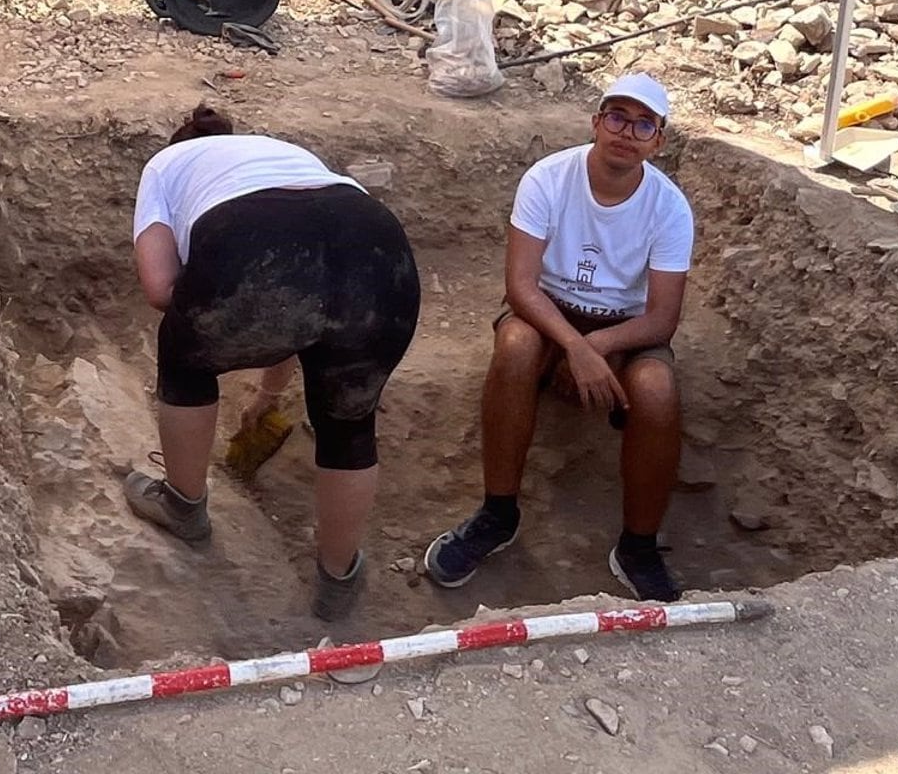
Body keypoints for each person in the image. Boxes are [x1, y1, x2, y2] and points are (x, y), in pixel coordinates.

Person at [122, 106, 421, 621]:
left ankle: (184, 506)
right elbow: (305, 296)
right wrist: (267, 395)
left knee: (185, 357)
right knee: (348, 424)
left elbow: (158, 289)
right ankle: (338, 580)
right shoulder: (285, 155)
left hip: (253, 241)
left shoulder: (164, 165)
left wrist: (213, 306)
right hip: (377, 248)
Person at [422, 72, 694, 602]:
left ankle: (637, 545)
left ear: (658, 141)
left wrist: (601, 347)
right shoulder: (548, 179)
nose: (626, 132)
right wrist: (574, 346)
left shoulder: (670, 208)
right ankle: (497, 514)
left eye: (643, 124)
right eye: (616, 116)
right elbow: (521, 286)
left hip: (627, 326)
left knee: (657, 391)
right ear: (595, 122)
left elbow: (662, 319)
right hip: (548, 311)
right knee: (517, 345)